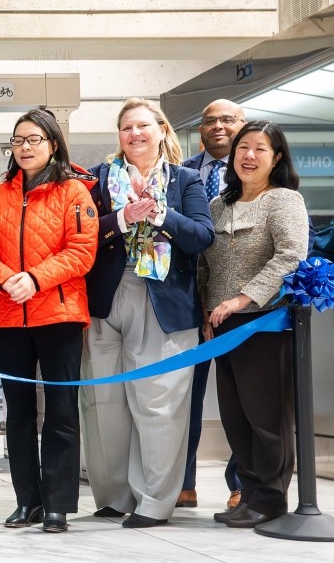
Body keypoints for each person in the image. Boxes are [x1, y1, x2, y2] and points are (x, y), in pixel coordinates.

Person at [81, 97, 214, 529]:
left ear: (161, 130)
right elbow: (80, 235)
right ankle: (114, 496)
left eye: (142, 126)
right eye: (126, 128)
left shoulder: (185, 180)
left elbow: (201, 236)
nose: (134, 134)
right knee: (105, 402)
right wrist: (120, 218)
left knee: (158, 403)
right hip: (105, 298)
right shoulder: (98, 180)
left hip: (163, 301)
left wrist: (161, 213)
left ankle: (154, 501)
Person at [0, 110, 97, 533]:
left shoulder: (74, 192)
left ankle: (58, 504)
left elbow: (82, 251)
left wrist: (36, 278)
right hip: (9, 318)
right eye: (18, 140)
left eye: (34, 140)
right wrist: (7, 279)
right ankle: (27, 502)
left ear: (53, 144)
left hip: (58, 315)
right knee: (19, 413)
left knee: (61, 411)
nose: (25, 147)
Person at [199, 121, 307, 528]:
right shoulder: (217, 206)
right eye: (243, 147)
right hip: (222, 326)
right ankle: (247, 494)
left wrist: (242, 299)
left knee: (267, 418)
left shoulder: (283, 201)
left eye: (260, 149)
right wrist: (206, 312)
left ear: (276, 158)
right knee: (236, 416)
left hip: (262, 323)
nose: (248, 156)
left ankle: (270, 500)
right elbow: (203, 266)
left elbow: (290, 256)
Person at [180, 100, 247, 511]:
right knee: (182, 393)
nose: (218, 126)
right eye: (210, 120)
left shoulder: (262, 173)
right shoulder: (182, 172)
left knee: (241, 398)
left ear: (243, 125)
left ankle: (241, 483)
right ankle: (181, 481)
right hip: (186, 299)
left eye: (228, 119)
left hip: (241, 304)